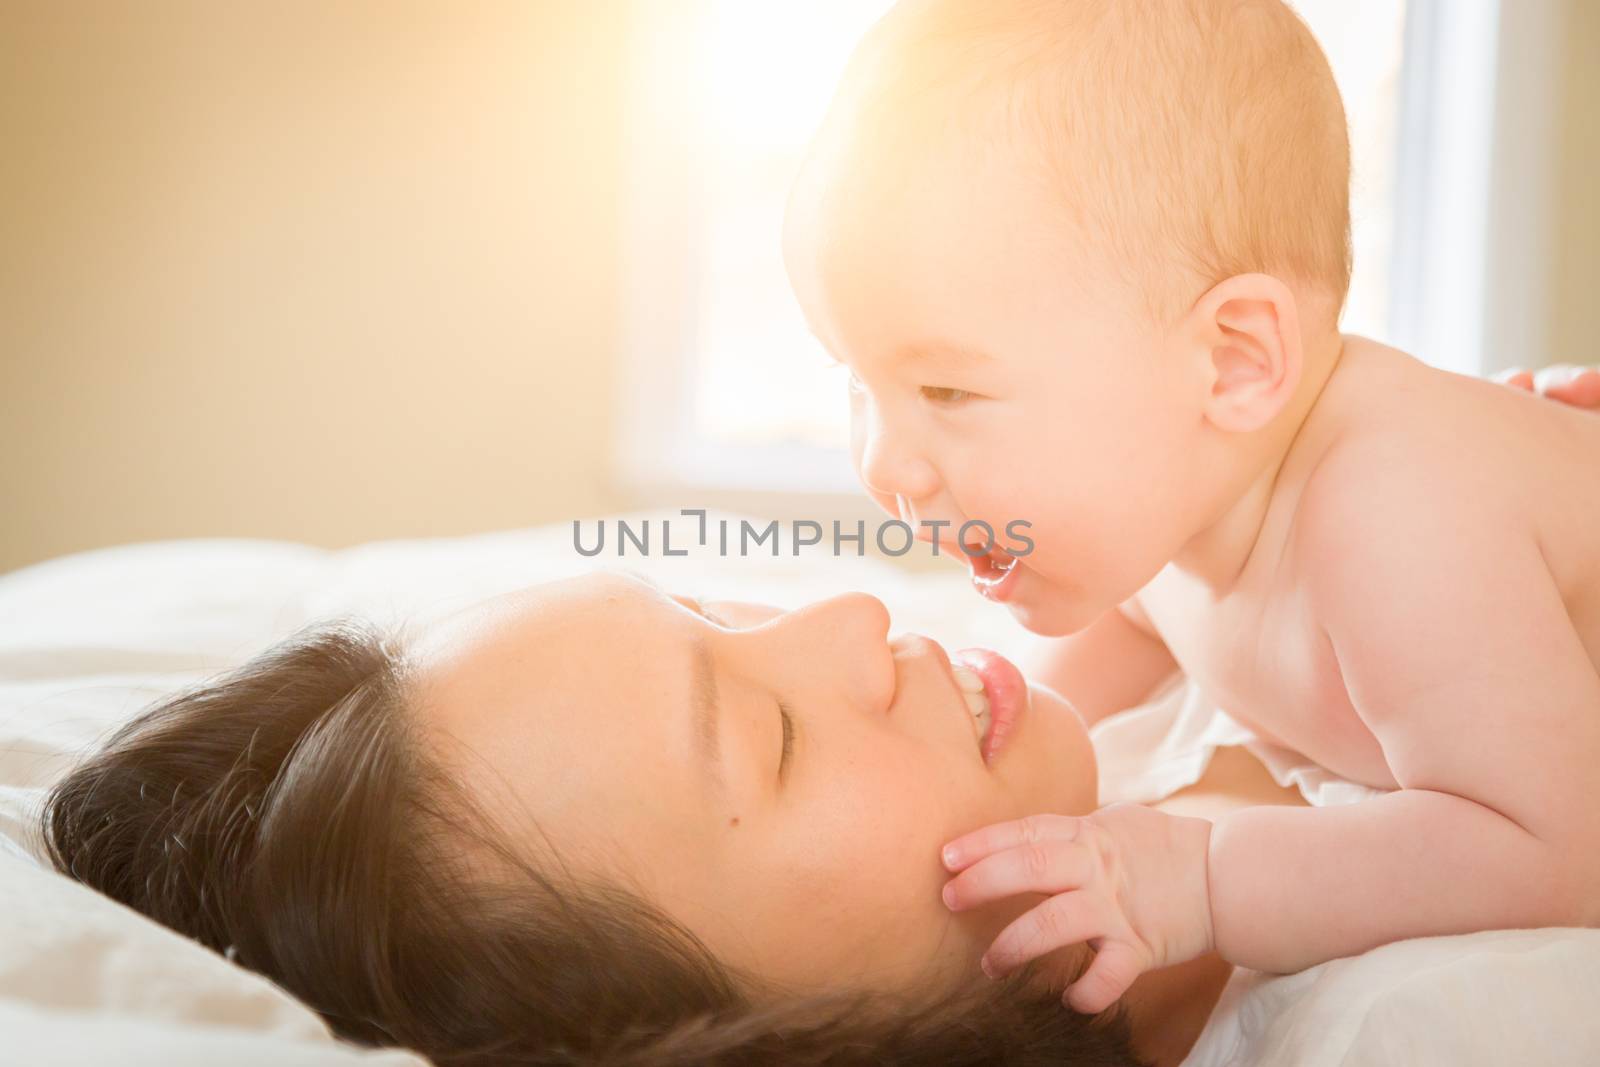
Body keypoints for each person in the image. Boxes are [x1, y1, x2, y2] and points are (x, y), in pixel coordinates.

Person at [780, 0, 1600, 1013]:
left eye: (945, 390)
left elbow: (1553, 849)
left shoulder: (1398, 524)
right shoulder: (1157, 524)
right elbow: (1060, 728)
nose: (883, 463)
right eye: (854, 381)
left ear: (1234, 360)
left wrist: (1203, 878)